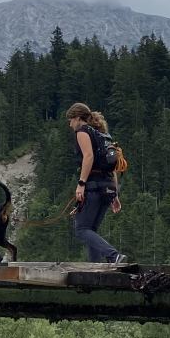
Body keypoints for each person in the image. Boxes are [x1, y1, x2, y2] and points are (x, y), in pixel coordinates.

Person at [65, 101, 127, 265]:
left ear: (78, 118)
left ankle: (113, 255)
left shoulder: (82, 132)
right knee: (90, 229)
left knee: (81, 229)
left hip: (93, 187)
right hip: (107, 187)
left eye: (70, 120)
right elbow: (112, 167)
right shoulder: (102, 136)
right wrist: (115, 194)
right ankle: (95, 266)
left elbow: (88, 157)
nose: (70, 124)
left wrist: (81, 183)